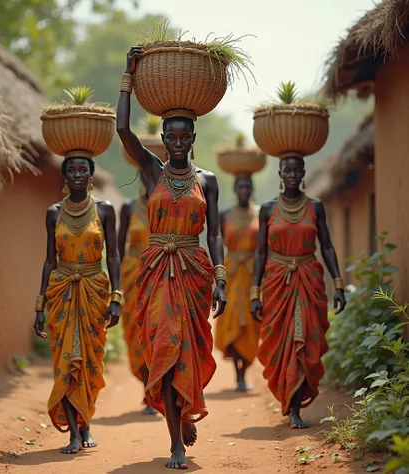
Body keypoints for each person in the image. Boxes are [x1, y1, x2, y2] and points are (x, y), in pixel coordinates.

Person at [116, 46, 227, 470]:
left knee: (189, 350)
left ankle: (182, 413)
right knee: (163, 346)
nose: (178, 143)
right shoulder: (150, 171)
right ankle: (175, 441)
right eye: (171, 136)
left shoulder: (208, 181)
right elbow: (123, 129)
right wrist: (128, 75)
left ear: (193, 139)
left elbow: (214, 232)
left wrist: (219, 276)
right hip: (156, 270)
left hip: (195, 272)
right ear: (162, 139)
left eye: (185, 136)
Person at [33, 155, 121, 454]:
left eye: (83, 169)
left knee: (91, 362)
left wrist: (116, 298)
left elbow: (113, 257)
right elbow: (48, 260)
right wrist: (39, 305)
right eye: (72, 170)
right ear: (65, 176)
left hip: (95, 291)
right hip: (61, 293)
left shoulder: (105, 210)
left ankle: (86, 426)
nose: (78, 174)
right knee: (66, 362)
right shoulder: (53, 213)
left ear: (91, 175)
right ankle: (73, 432)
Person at [250, 156, 346, 429]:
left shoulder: (316, 207)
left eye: (297, 170)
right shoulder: (268, 210)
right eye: (287, 170)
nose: (292, 174)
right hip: (277, 283)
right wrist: (254, 293)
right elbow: (260, 252)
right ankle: (289, 401)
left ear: (304, 172)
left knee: (304, 342)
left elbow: (326, 247)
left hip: (308, 280)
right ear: (280, 173)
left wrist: (338, 283)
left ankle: (295, 410)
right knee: (284, 342)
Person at [215, 176, 260, 392]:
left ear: (252, 189)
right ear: (235, 189)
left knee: (252, 323)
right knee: (232, 320)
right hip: (232, 275)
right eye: (241, 186)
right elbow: (218, 245)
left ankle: (246, 372)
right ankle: (238, 376)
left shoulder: (261, 214)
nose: (244, 190)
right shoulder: (225, 215)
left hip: (252, 274)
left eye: (248, 186)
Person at [118, 171, 156, 415]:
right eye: (145, 175)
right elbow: (118, 249)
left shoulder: (169, 206)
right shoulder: (129, 207)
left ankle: (157, 391)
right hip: (132, 278)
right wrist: (116, 287)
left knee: (156, 332)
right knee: (135, 332)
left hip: (160, 275)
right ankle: (146, 389)